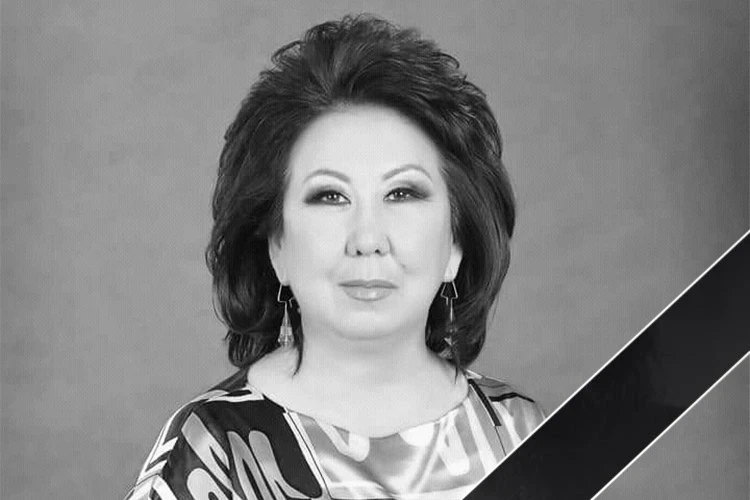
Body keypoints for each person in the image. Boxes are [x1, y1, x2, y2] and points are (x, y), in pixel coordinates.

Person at [125, 14, 544, 500]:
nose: (367, 238)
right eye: (330, 196)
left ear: (456, 243)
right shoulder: (212, 450)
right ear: (276, 246)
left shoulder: (519, 434)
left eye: (402, 193)